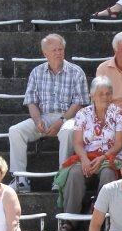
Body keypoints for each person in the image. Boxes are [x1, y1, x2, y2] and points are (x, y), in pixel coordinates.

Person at [8, 33, 88, 192]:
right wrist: (37, 120)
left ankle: (62, 178)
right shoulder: (36, 72)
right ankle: (20, 179)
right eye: (54, 50)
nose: (59, 52)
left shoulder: (76, 71)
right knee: (15, 131)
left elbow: (79, 103)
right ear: (45, 53)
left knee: (67, 131)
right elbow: (31, 101)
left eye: (61, 49)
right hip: (43, 116)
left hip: (69, 117)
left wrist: (62, 120)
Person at [55, 76, 122, 230]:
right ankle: (70, 219)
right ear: (92, 96)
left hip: (110, 157)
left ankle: (100, 219)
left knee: (108, 173)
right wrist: (84, 159)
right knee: (74, 173)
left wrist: (102, 158)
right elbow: (78, 143)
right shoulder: (82, 113)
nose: (105, 97)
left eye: (108, 93)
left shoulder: (118, 113)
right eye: (101, 94)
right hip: (86, 156)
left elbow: (119, 144)